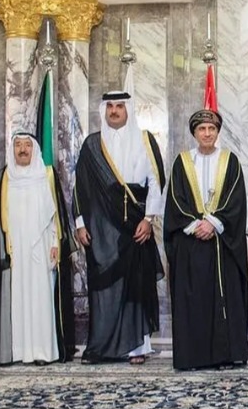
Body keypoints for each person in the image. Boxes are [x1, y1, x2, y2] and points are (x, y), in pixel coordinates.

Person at [74, 91, 166, 365]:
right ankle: (102, 345)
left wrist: (149, 219)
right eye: (110, 106)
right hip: (101, 228)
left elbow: (156, 182)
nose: (114, 111)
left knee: (137, 284)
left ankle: (138, 346)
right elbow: (79, 187)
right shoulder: (92, 144)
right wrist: (79, 224)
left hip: (137, 223)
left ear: (128, 110)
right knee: (104, 287)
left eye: (119, 106)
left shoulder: (145, 140)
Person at [163, 109, 248, 370]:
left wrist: (213, 222)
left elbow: (236, 199)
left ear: (218, 132)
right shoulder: (182, 162)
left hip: (222, 242)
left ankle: (225, 355)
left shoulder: (230, 161)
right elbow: (176, 198)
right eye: (202, 129)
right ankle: (193, 357)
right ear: (194, 133)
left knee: (223, 299)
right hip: (191, 242)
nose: (207, 134)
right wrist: (195, 225)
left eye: (212, 129)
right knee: (193, 300)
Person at [0, 132, 76, 366]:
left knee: (41, 298)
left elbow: (56, 215)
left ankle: (43, 352)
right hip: (13, 250)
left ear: (35, 149)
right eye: (18, 145)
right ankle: (18, 351)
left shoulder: (46, 175)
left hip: (41, 249)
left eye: (27, 145)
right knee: (16, 299)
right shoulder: (3, 178)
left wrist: (55, 243)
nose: (23, 150)